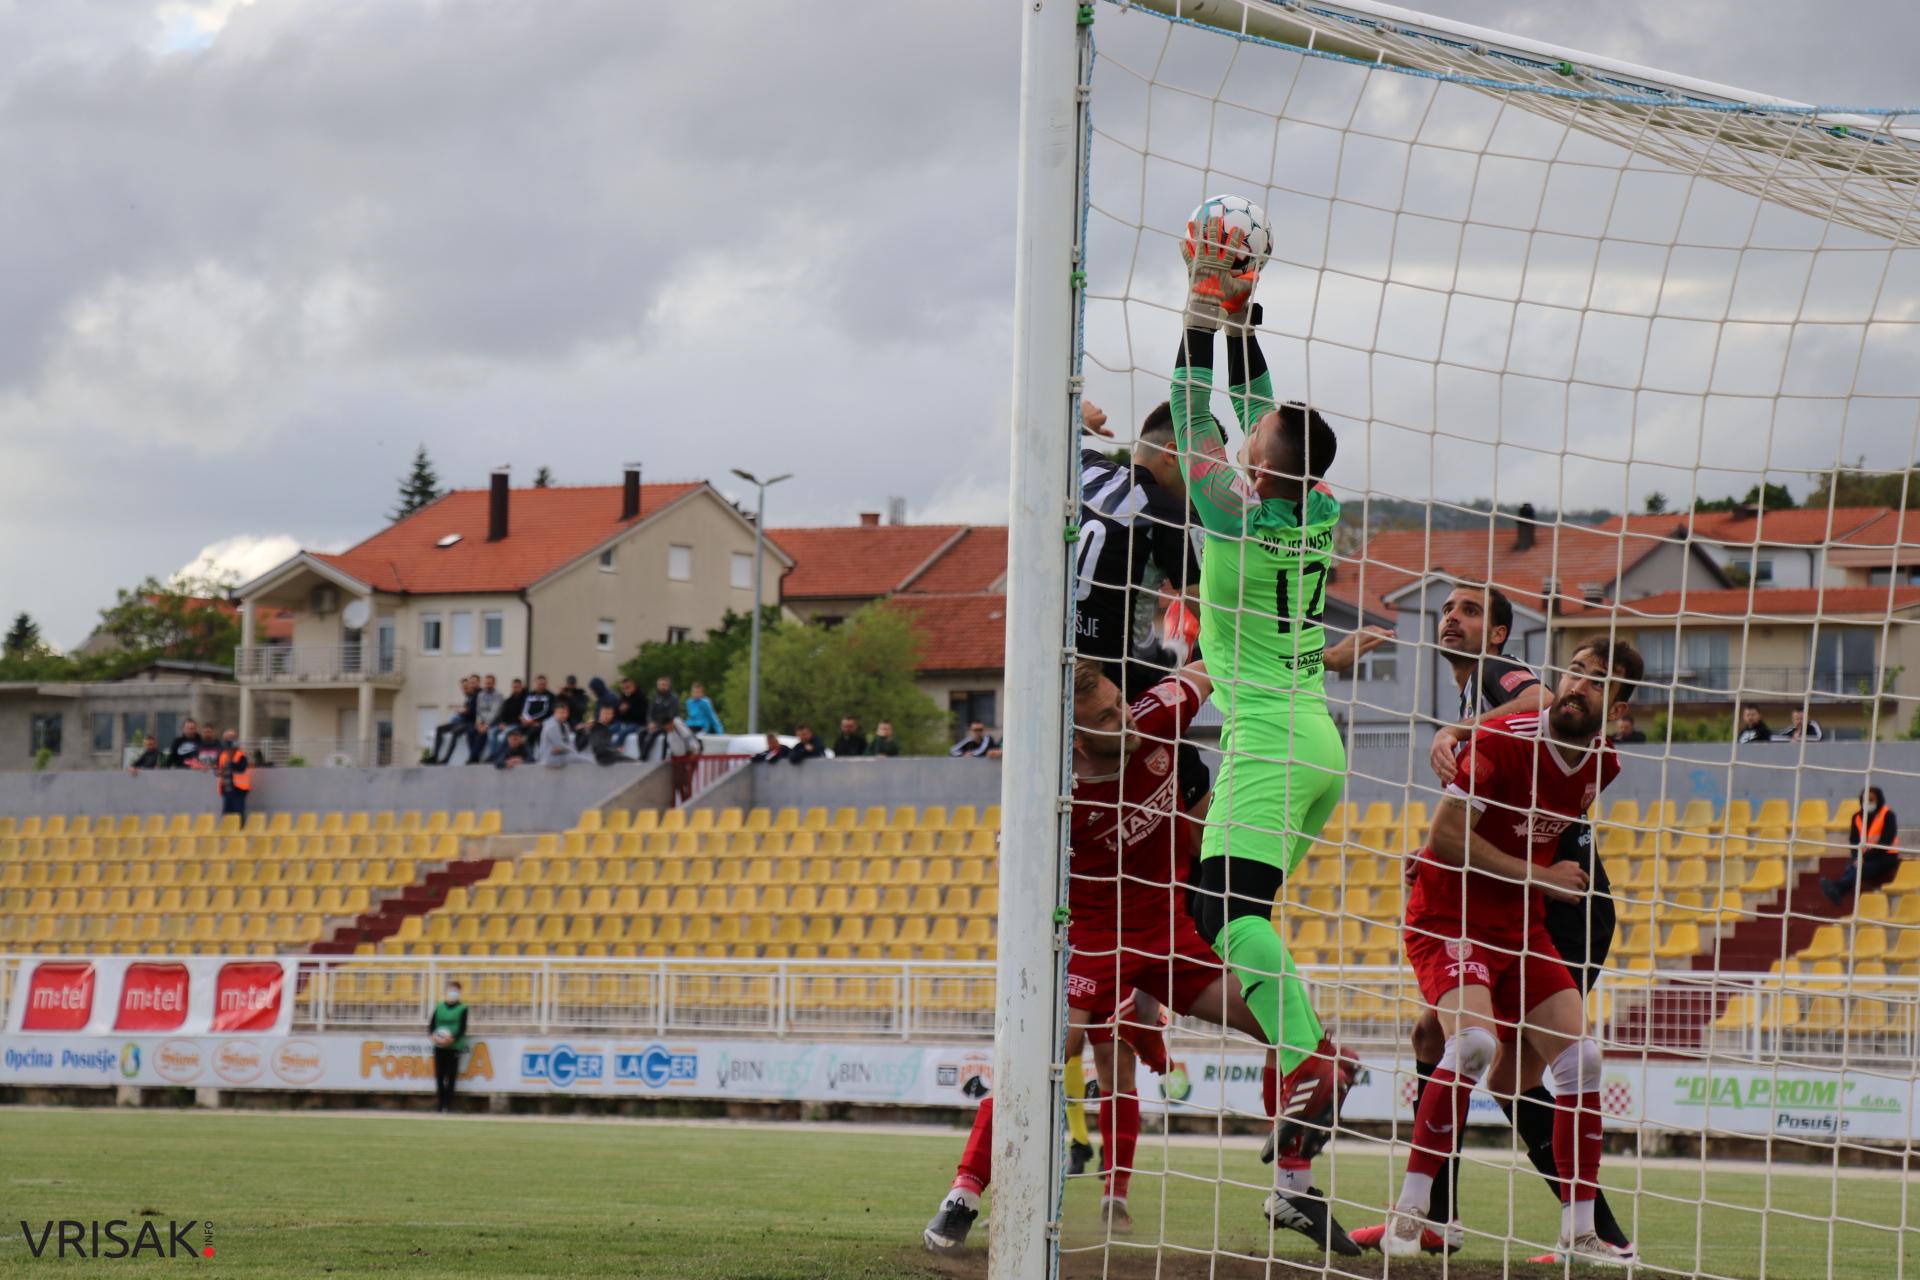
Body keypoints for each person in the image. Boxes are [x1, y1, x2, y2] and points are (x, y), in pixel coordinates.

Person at [924, 660, 1354, 1253]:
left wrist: (1321, 659)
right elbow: (1017, 867)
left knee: (1301, 1035)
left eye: (1120, 703)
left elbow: (1217, 661)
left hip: (1170, 931)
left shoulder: (1155, 714)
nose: (1123, 719)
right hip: (1094, 940)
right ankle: (964, 1195)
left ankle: (1291, 1187)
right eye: (1105, 717)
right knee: (1044, 1058)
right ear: (1073, 734)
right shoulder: (1052, 790)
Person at [1169, 216, 1386, 1221]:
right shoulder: (1317, 504)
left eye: (1251, 438)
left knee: (1222, 912)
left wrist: (1197, 309)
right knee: (1234, 911)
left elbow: (1184, 411)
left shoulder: (1235, 514)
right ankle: (1299, 1153)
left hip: (1268, 737)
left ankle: (1311, 1060)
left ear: (1263, 460)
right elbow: (1254, 407)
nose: (1242, 433)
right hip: (1310, 740)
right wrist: (1241, 304)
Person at [1354, 589, 1630, 1259]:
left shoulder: (1496, 680)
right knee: (1443, 1037)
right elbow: (1470, 818)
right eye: (1447, 607)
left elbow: (1538, 701)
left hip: (1557, 906)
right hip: (1488, 900)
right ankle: (1432, 1216)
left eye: (1472, 610)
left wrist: (1461, 732)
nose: (1452, 618)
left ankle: (1595, 1231)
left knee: (1513, 1067)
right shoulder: (1487, 717)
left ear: (1501, 633)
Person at [1823, 786, 1900, 904]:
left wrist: (1863, 858)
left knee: (1858, 869)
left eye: (1871, 800)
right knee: (1851, 866)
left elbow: (1886, 842)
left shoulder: (1888, 815)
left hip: (1886, 857)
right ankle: (1838, 891)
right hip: (1864, 857)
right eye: (1865, 800)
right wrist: (1856, 857)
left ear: (1878, 800)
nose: (1867, 803)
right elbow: (1854, 840)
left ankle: (1838, 888)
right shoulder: (1857, 817)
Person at [427, 982, 469, 1113]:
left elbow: (462, 1028)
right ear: (447, 991)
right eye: (451, 990)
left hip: (454, 1047)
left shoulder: (463, 1008)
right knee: (439, 1076)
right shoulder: (439, 1006)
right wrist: (433, 1036)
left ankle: (447, 1104)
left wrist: (452, 1038)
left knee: (451, 1076)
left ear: (460, 993)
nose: (453, 993)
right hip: (439, 1047)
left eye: (456, 991)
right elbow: (432, 1025)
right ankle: (440, 1104)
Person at [428, 676, 477, 764]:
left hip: (470, 723)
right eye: (463, 688)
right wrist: (461, 712)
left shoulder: (476, 696)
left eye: (466, 687)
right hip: (462, 721)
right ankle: (435, 756)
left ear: (470, 686)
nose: (464, 690)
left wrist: (464, 711)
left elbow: (474, 712)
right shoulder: (467, 698)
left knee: (455, 732)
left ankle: (446, 758)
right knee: (439, 729)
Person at [214, 730, 252, 824]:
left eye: (231, 738)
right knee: (227, 816)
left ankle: (239, 835)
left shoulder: (241, 755)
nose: (228, 742)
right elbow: (218, 769)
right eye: (227, 739)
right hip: (226, 790)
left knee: (238, 815)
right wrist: (218, 771)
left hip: (239, 790)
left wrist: (231, 761)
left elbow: (241, 768)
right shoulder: (222, 755)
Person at [484, 678, 526, 762]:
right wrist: (502, 723)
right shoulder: (508, 700)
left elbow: (523, 716)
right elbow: (503, 714)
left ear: (521, 687)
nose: (516, 688)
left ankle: (499, 756)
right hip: (506, 724)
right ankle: (493, 754)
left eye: (518, 687)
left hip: (516, 725)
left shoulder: (525, 700)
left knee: (501, 736)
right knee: (491, 732)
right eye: (514, 687)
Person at [662, 716, 702, 802]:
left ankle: (687, 802)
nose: (666, 729)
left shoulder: (680, 729)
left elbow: (693, 744)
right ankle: (683, 801)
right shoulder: (669, 733)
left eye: (667, 726)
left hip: (689, 758)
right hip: (678, 760)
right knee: (677, 783)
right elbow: (671, 748)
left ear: (671, 723)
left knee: (686, 782)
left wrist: (691, 757)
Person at [539, 701, 589, 767]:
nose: (564, 715)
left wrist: (571, 750)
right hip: (551, 759)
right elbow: (560, 746)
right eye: (561, 713)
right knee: (586, 759)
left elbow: (568, 743)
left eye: (566, 712)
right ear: (555, 713)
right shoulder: (551, 726)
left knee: (587, 756)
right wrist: (572, 751)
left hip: (562, 755)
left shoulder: (565, 725)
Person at [643, 677, 681, 760]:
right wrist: (650, 722)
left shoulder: (673, 698)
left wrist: (657, 724)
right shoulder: (655, 697)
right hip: (655, 724)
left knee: (654, 735)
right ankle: (642, 757)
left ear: (669, 686)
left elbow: (671, 715)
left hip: (668, 725)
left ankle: (662, 760)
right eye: (660, 685)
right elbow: (650, 712)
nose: (662, 687)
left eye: (664, 685)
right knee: (641, 733)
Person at [470, 675, 503, 763]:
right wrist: (478, 722)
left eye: (490, 683)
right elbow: (479, 710)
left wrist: (486, 725)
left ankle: (491, 756)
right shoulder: (480, 695)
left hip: (494, 723)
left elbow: (495, 712)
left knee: (488, 734)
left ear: (494, 684)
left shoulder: (498, 695)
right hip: (482, 723)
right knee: (471, 732)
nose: (488, 685)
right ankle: (473, 755)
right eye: (487, 683)